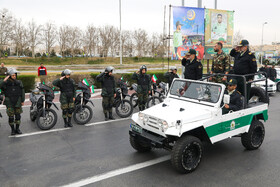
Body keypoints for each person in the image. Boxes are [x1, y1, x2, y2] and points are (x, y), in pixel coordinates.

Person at [0, 68, 25, 135]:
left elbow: (22, 92)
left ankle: (17, 129)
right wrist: (4, 80)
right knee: (11, 117)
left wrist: (22, 100)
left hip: (18, 101)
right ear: (9, 76)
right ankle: (13, 130)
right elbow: (0, 86)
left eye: (15, 75)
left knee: (18, 116)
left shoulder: (19, 82)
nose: (14, 76)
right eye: (13, 75)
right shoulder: (5, 83)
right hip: (9, 102)